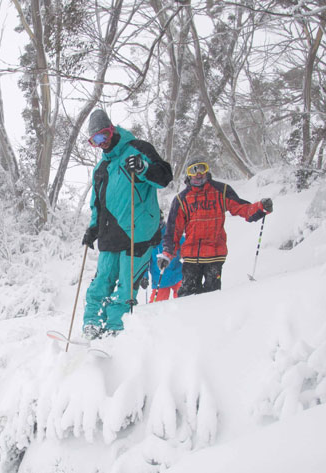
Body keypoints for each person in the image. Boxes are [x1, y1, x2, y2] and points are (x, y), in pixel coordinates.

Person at [80, 109, 173, 338]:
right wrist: (93, 229)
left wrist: (143, 169)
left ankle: (115, 326)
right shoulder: (100, 169)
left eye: (103, 135)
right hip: (109, 234)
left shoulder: (139, 149)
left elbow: (164, 177)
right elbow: (97, 204)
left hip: (138, 233)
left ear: (112, 129)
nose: (101, 143)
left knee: (126, 285)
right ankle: (92, 322)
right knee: (101, 281)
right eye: (95, 140)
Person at [158, 161, 273, 296]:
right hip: (191, 256)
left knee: (212, 295)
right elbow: (173, 231)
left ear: (207, 171)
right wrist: (167, 254)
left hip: (215, 254)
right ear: (188, 174)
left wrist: (260, 208)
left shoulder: (221, 191)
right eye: (193, 170)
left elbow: (242, 208)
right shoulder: (181, 199)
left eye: (202, 168)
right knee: (186, 295)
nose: (198, 174)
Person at [148, 218, 183, 302]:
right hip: (160, 279)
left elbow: (185, 245)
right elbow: (144, 262)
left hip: (178, 275)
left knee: (184, 299)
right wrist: (144, 277)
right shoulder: (148, 238)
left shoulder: (172, 234)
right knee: (155, 306)